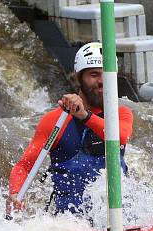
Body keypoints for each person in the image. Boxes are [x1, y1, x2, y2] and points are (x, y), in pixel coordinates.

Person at [7, 42, 134, 219]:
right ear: (79, 78)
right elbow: (24, 167)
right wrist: (15, 193)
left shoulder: (121, 113)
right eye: (94, 75)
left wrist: (85, 116)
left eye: (107, 74)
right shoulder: (55, 121)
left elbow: (120, 136)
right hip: (72, 222)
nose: (102, 81)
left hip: (119, 218)